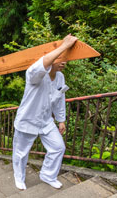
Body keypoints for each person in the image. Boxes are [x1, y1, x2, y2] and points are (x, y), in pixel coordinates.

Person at [12, 34, 77, 190]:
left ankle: (48, 175)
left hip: (46, 121)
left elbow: (60, 98)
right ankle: (19, 177)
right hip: (27, 119)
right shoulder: (34, 74)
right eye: (60, 57)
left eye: (65, 58)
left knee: (58, 147)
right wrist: (63, 46)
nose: (64, 61)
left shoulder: (60, 77)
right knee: (21, 153)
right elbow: (41, 64)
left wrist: (61, 120)